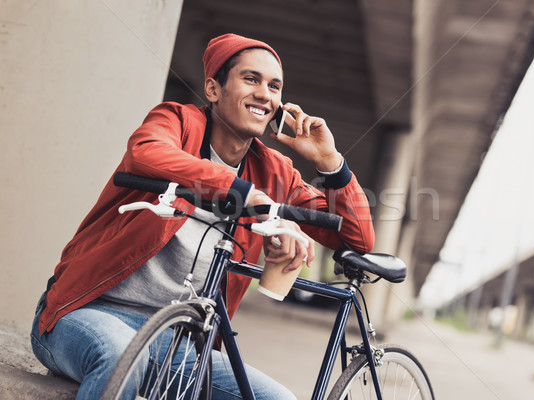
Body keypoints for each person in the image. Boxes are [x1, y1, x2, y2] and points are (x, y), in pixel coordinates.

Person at [30, 33, 375, 399]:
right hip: (88, 314)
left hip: (178, 343)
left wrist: (331, 163)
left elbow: (356, 237)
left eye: (275, 86)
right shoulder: (176, 121)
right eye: (251, 79)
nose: (265, 95)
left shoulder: (275, 171)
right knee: (119, 359)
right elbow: (146, 152)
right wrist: (241, 192)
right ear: (213, 89)